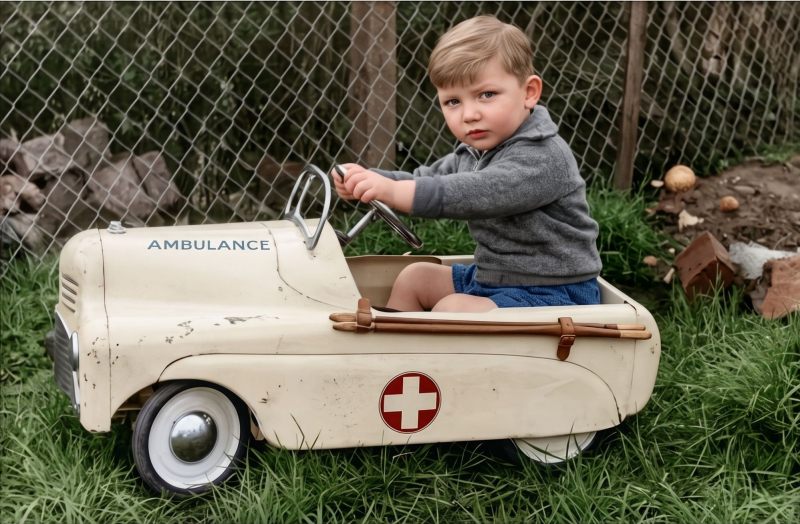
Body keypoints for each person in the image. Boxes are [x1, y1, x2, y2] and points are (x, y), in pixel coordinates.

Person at [332, 15, 602, 313]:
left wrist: (395, 193)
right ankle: (393, 355)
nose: (469, 114)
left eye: (486, 95)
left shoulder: (542, 155)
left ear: (529, 93)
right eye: (453, 102)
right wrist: (373, 182)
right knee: (415, 277)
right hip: (495, 279)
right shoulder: (474, 152)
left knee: (453, 307)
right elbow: (426, 177)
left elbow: (479, 192)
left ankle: (423, 358)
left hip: (553, 291)